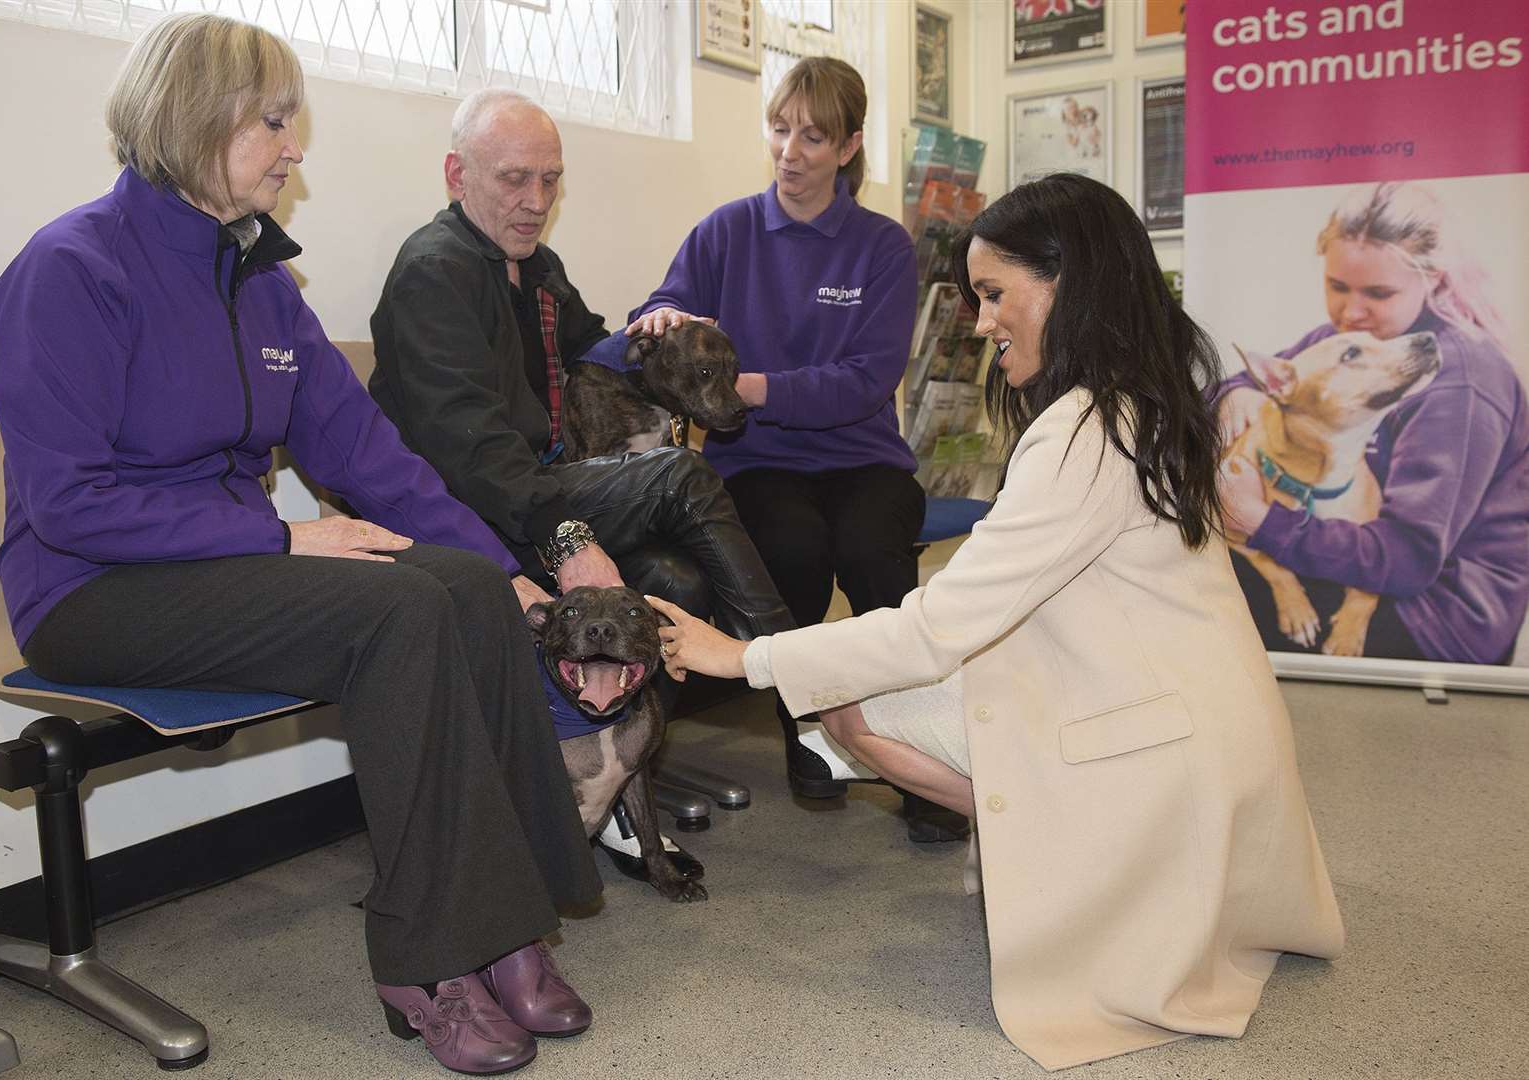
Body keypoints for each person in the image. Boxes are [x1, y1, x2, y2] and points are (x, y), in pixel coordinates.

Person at [0, 15, 601, 1075]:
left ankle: (511, 923)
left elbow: (373, 457)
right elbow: (69, 504)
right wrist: (276, 533)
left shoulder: (262, 282)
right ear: (195, 121)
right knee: (400, 610)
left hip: (228, 565)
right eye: (272, 122)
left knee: (457, 585)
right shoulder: (71, 268)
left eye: (291, 123)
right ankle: (428, 959)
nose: (292, 146)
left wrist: (513, 577)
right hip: (91, 589)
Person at [647, 173, 1346, 1070]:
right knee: (874, 689)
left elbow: (934, 626)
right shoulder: (1146, 404)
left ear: (1069, 282)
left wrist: (741, 657)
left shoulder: (1084, 432)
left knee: (852, 710)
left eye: (992, 295)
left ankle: (1074, 861)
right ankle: (1063, 851)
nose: (980, 324)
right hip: (1199, 729)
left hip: (1163, 752)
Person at [367, 89, 796, 879]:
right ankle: (802, 691)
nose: (536, 202)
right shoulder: (434, 274)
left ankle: (612, 783)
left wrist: (652, 325)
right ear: (457, 174)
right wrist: (565, 536)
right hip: (464, 512)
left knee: (672, 577)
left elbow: (594, 347)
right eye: (514, 180)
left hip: (528, 488)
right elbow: (469, 444)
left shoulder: (533, 266)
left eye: (551, 181)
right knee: (678, 472)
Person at [622, 58, 957, 839]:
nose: (790, 149)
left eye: (812, 135)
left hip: (862, 459)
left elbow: (862, 382)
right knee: (793, 553)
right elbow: (664, 300)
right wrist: (664, 316)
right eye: (780, 129)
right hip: (757, 464)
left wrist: (740, 387)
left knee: (879, 567)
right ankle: (810, 732)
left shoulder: (880, 247)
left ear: (847, 146)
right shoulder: (726, 230)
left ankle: (928, 775)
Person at [1216, 181, 1529, 664]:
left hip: (1434, 614)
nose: (1350, 311)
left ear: (1434, 280)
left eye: (1378, 293)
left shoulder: (1461, 381)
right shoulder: (1353, 334)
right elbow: (1258, 377)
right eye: (1337, 286)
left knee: (1201, 599)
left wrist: (1261, 522)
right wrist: (1235, 392)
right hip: (1361, 563)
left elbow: (1408, 559)